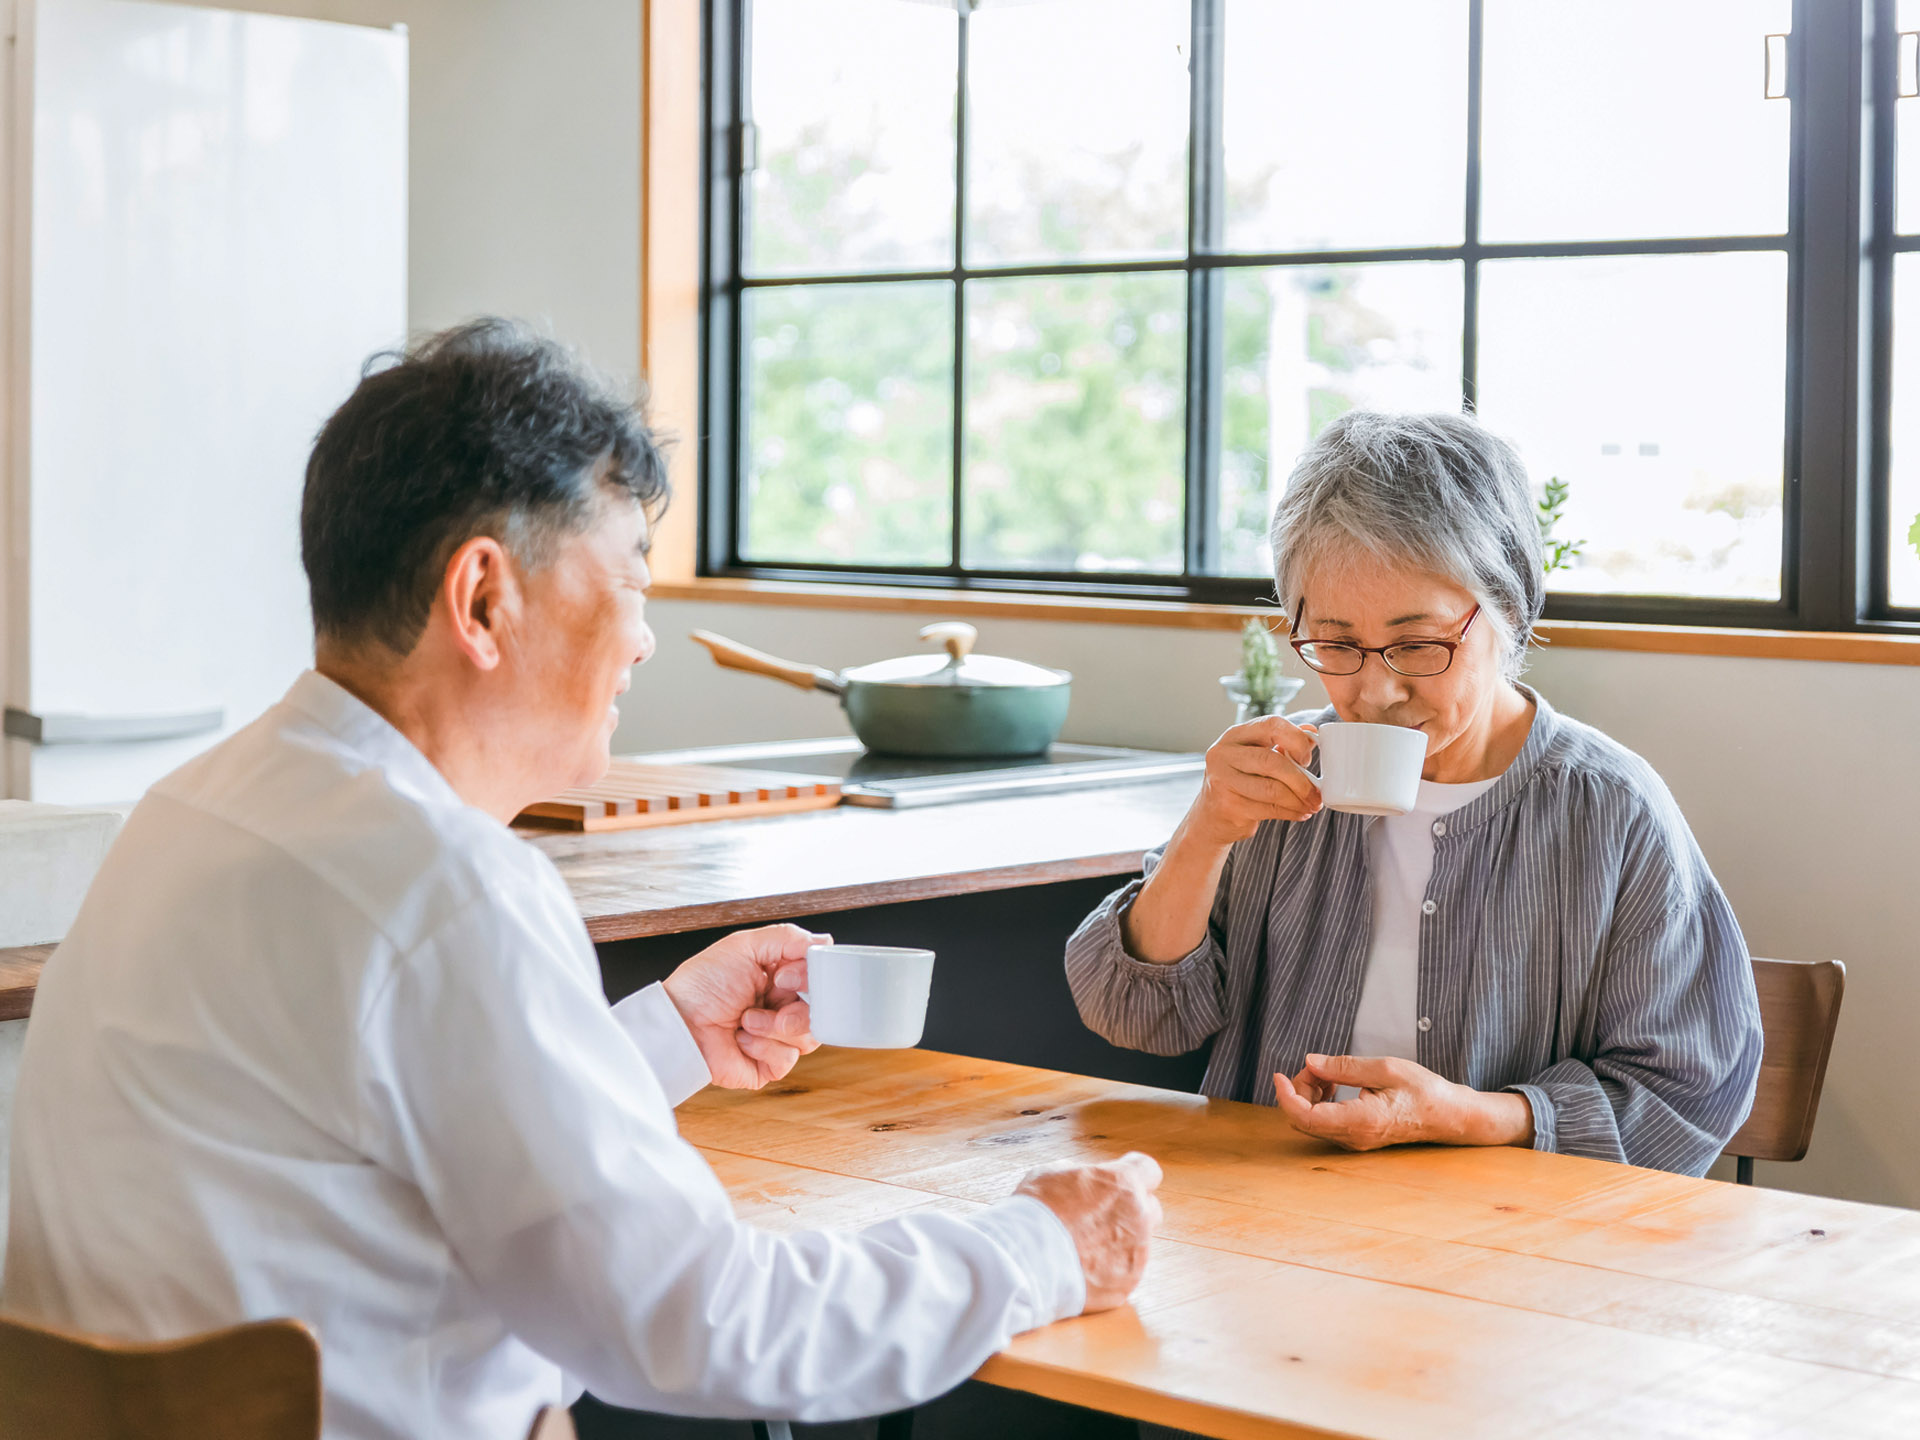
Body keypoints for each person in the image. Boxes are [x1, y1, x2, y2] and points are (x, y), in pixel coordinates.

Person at [2, 320, 1162, 1439]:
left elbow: (382, 1147)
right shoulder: (445, 889)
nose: (645, 639)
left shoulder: (195, 814)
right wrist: (1042, 1247)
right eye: (629, 579)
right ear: (485, 600)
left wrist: (666, 1036)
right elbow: (704, 1325)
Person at [1066, 410, 1762, 1176]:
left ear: (1509, 608)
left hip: (1504, 1243)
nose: (1375, 689)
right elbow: (1132, 1014)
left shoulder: (1607, 810)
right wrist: (1206, 831)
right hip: (1265, 1209)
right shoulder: (1282, 778)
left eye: (1418, 644)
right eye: (1334, 645)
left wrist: (1472, 1117)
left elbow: (1685, 1091)